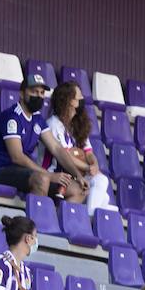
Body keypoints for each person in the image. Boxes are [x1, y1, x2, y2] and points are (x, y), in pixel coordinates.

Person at [0, 74, 71, 197]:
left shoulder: (37, 119)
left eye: (42, 93)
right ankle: (36, 216)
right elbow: (17, 157)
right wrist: (49, 175)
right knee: (42, 179)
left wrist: (77, 175)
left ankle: (55, 214)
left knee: (76, 189)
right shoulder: (12, 117)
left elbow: (56, 148)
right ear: (22, 93)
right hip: (0, 171)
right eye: (34, 92)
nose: (39, 96)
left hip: (22, 172)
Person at [40, 82, 111, 210]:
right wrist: (88, 167)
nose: (82, 98)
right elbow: (65, 155)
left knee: (103, 189)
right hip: (54, 173)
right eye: (79, 96)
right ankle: (87, 220)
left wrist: (94, 165)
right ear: (69, 101)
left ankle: (87, 219)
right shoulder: (53, 124)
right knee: (97, 191)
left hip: (75, 174)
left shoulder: (76, 125)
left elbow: (89, 153)